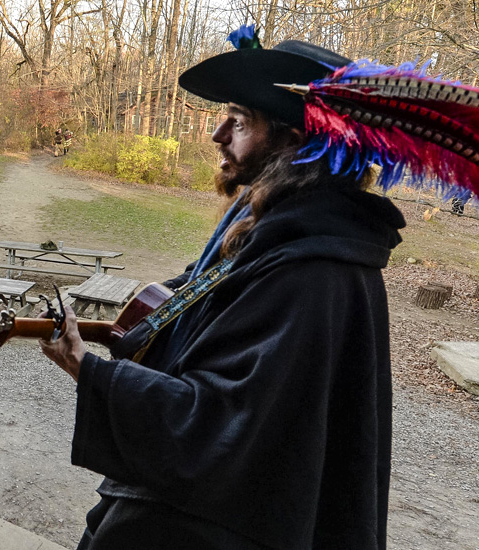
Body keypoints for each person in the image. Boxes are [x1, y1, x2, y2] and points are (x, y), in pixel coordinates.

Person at [37, 32, 421, 549]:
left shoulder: (315, 270)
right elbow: (205, 290)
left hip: (223, 523)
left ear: (291, 141)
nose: (218, 134)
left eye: (239, 122)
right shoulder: (275, 221)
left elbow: (222, 424)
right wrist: (132, 327)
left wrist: (91, 370)